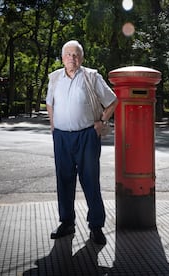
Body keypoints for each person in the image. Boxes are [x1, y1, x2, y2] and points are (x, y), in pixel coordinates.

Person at [46, 40, 118, 245]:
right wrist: (53, 127)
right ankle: (67, 222)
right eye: (68, 55)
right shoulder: (55, 78)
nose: (72, 58)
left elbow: (113, 101)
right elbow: (50, 103)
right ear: (62, 58)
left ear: (82, 58)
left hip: (86, 135)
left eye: (76, 55)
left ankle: (96, 226)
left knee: (90, 181)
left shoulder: (91, 77)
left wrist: (101, 122)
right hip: (61, 137)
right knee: (64, 181)